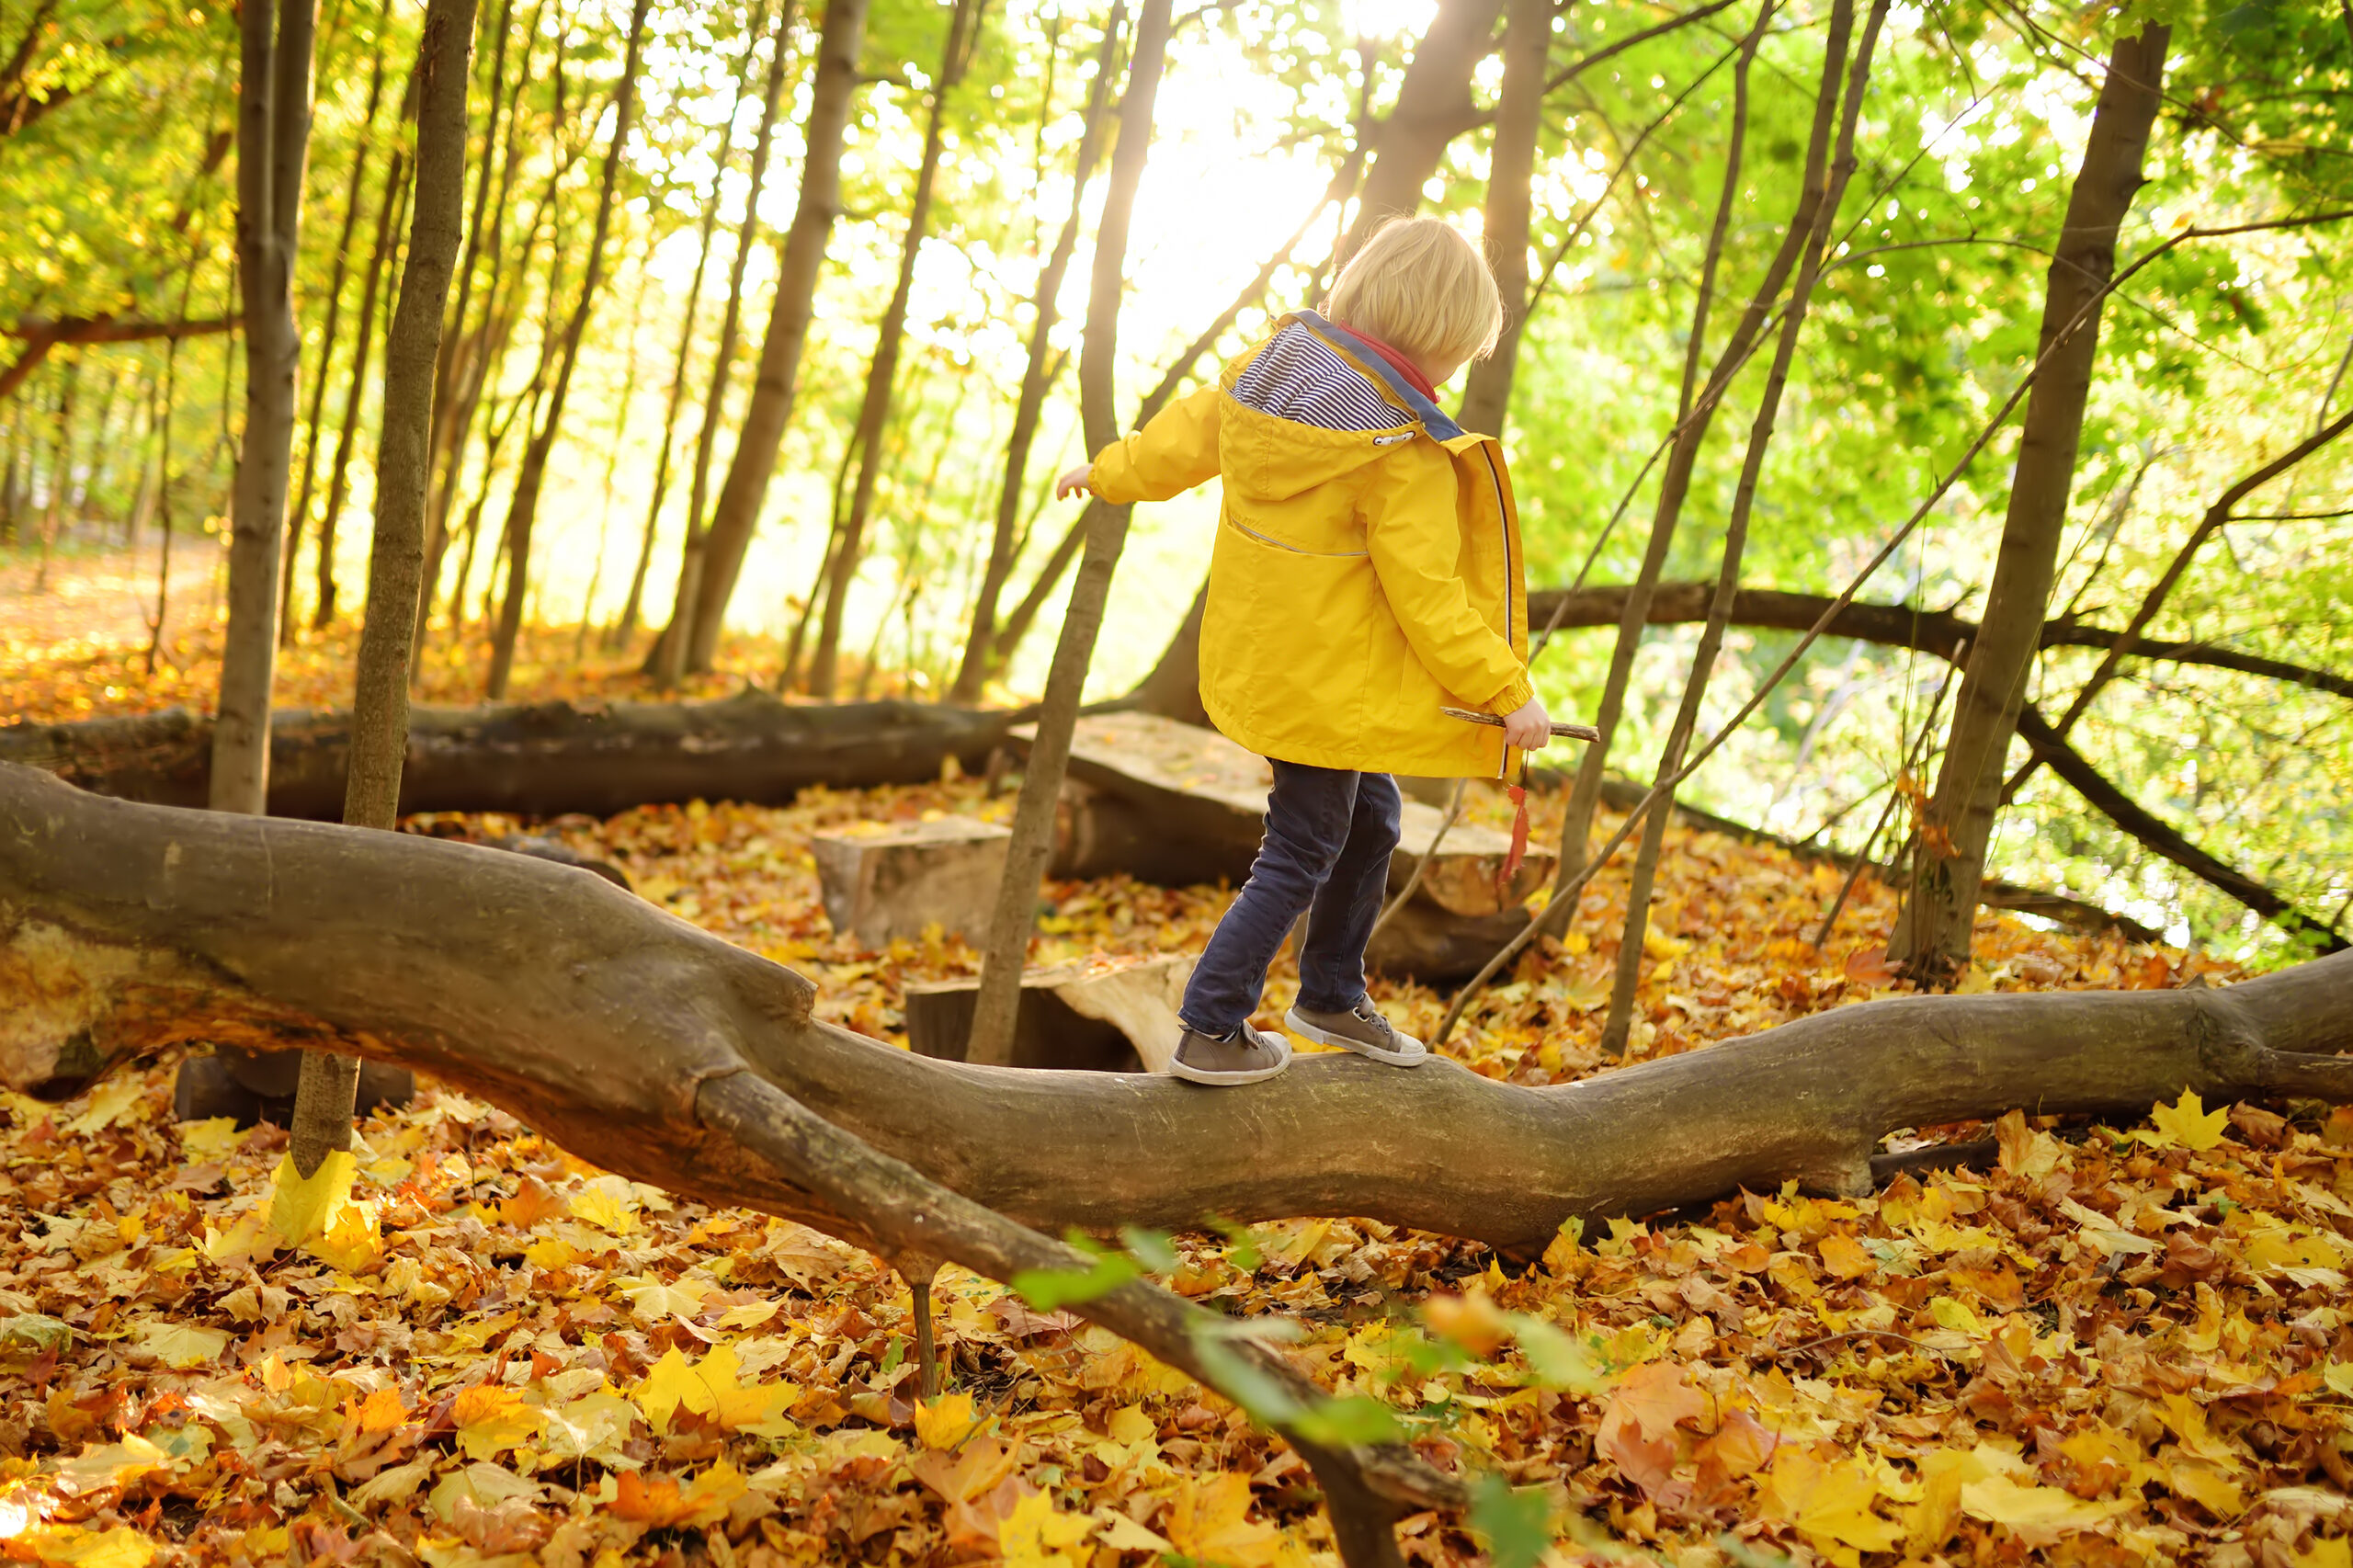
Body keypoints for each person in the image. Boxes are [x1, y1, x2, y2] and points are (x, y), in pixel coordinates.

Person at [1054, 217, 1551, 1086]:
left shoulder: (1262, 383)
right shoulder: (1395, 452)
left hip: (1274, 669)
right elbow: (1430, 597)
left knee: (1374, 820)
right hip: (1330, 690)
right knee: (1303, 846)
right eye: (1456, 354)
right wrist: (1507, 692)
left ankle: (1328, 991)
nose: (1453, 374)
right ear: (1433, 336)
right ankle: (1212, 1023)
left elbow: (1176, 442)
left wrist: (1106, 471)